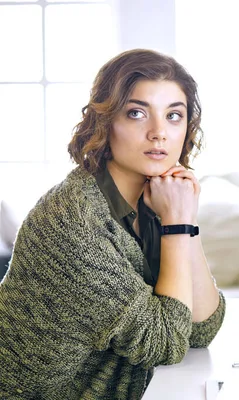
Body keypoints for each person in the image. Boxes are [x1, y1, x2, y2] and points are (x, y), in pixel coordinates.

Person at [0, 49, 225, 399]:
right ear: (105, 122)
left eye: (173, 116)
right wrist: (179, 226)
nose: (159, 133)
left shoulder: (154, 199)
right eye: (137, 113)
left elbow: (201, 328)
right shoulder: (73, 221)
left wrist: (183, 218)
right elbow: (165, 343)